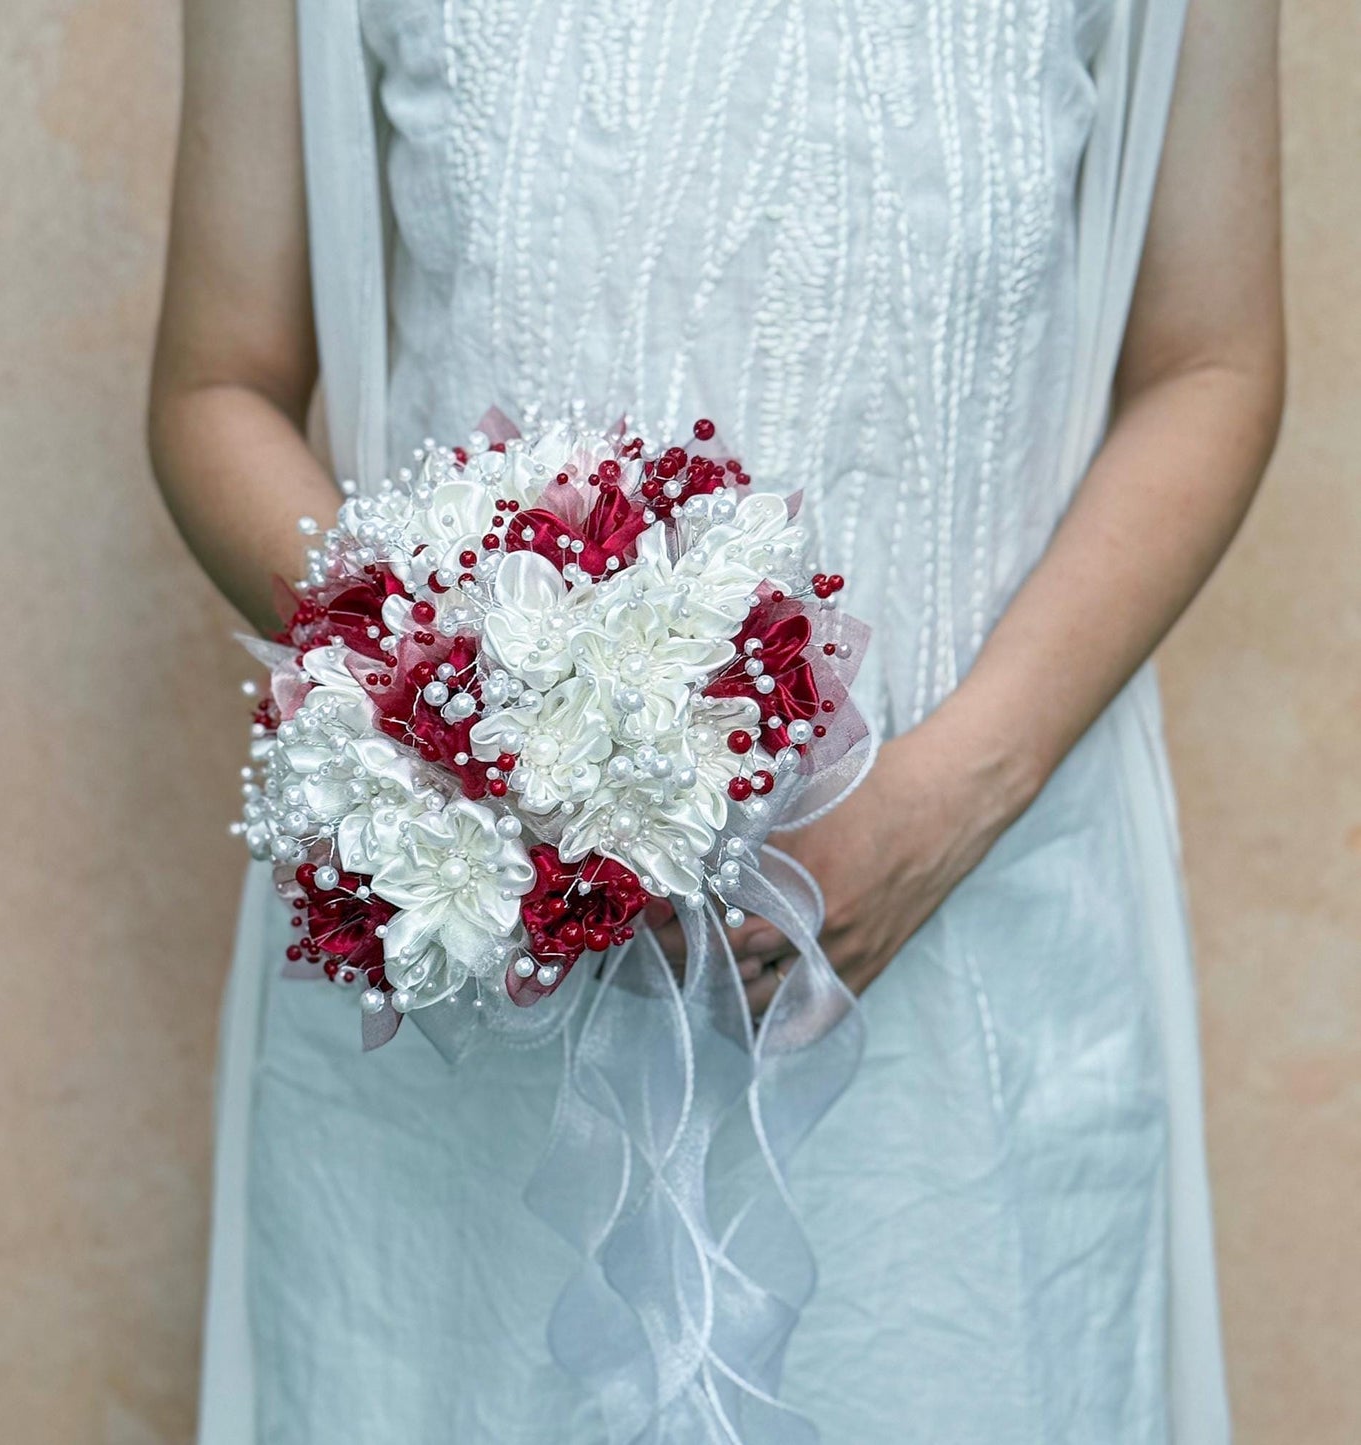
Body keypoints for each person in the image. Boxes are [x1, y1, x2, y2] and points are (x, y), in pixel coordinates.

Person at [149, 1, 1284, 1439]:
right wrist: (462, 725)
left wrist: (944, 803)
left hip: (971, 957)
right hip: (468, 1017)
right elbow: (215, 382)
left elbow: (1209, 360)